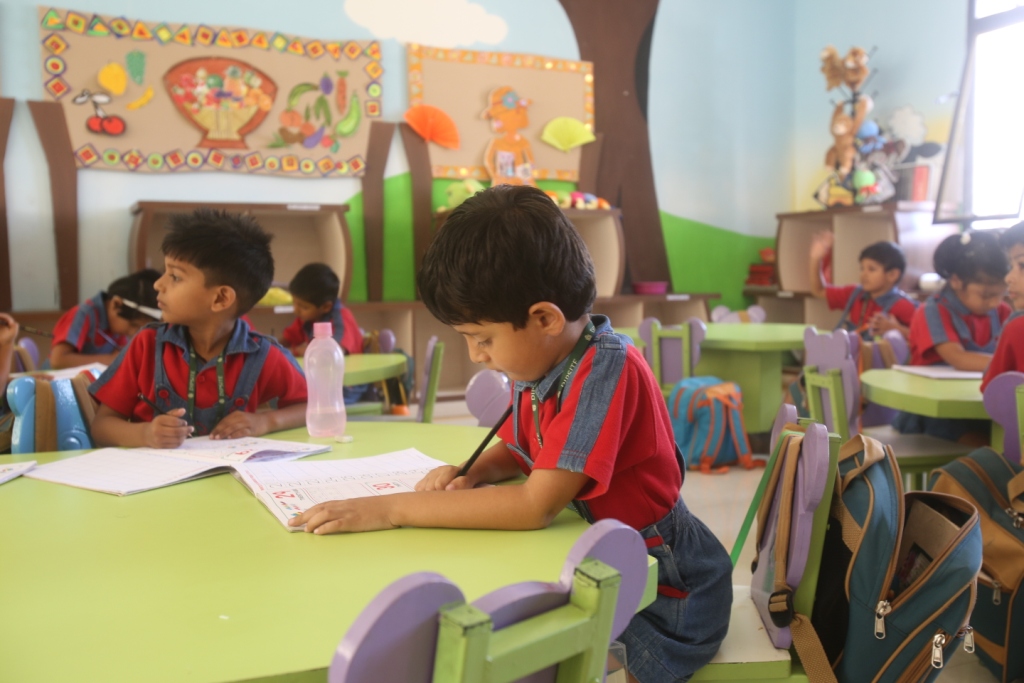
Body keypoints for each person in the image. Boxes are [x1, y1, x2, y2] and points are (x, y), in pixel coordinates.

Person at [288, 185, 732, 682]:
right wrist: (476, 470)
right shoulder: (544, 359)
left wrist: (388, 509)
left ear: (544, 318)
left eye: (482, 338)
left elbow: (533, 506)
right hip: (596, 561)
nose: (476, 354)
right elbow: (526, 451)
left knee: (530, 659)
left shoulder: (607, 368)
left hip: (666, 591)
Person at [89, 209, 307, 448]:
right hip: (155, 471)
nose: (158, 284)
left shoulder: (263, 355)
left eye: (175, 276)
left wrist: (266, 421)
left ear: (221, 299)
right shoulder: (146, 345)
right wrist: (145, 434)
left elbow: (314, 407)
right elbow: (101, 427)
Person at [896, 231, 1010, 443]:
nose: (995, 303)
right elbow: (958, 358)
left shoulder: (1001, 312)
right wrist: (1007, 364)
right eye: (986, 295)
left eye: (1001, 295)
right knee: (987, 444)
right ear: (956, 281)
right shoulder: (933, 310)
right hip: (935, 413)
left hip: (981, 403)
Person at [808, 233, 917, 339]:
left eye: (871, 269)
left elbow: (922, 339)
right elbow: (819, 290)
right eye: (862, 268)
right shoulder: (855, 293)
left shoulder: (904, 306)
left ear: (892, 275)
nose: (863, 274)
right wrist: (816, 259)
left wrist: (896, 329)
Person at [49, 269, 162, 369]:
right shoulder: (83, 315)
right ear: (116, 304)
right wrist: (111, 359)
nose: (133, 333)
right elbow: (58, 360)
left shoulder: (118, 327)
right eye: (133, 325)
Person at [281, 263, 363, 357]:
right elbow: (286, 339)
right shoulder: (307, 318)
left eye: (304, 307)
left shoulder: (341, 319)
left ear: (325, 307)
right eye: (294, 302)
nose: (295, 311)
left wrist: (298, 351)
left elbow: (334, 351)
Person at [981, 221, 1024, 391]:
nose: (1008, 278)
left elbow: (991, 388)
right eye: (1011, 266)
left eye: (1022, 265)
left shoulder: (1018, 327)